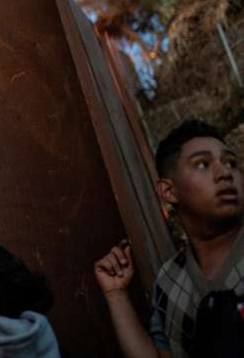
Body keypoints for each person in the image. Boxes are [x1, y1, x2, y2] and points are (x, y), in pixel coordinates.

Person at [94, 120, 243, 358]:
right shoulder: (168, 282)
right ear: (168, 191)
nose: (225, 173)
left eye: (231, 163)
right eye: (203, 164)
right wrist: (116, 295)